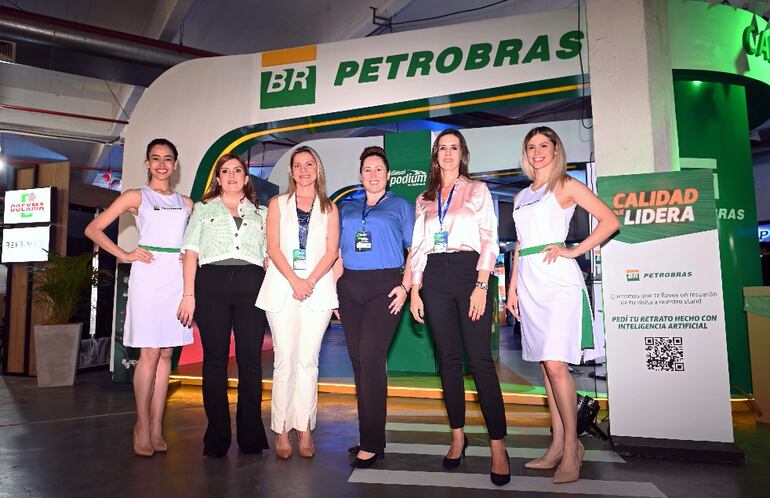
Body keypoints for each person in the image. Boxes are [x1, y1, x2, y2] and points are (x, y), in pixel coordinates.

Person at [506, 126, 620, 484]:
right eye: (532, 146)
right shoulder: (521, 195)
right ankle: (556, 445)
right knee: (545, 368)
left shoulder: (566, 185)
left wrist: (573, 249)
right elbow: (521, 246)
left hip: (559, 284)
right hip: (529, 282)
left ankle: (573, 447)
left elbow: (610, 221)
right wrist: (511, 290)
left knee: (556, 366)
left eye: (544, 145)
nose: (538, 151)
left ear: (557, 150)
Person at [409, 129, 510, 486]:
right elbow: (418, 247)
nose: (448, 153)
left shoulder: (477, 190)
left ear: (462, 154)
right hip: (434, 277)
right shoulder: (424, 198)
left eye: (454, 148)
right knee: (448, 361)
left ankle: (499, 445)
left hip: (470, 273)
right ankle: (457, 436)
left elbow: (490, 241)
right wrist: (415, 290)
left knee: (480, 361)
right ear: (435, 156)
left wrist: (482, 285)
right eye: (442, 148)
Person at [85, 138, 193, 457]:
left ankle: (158, 426)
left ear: (175, 164)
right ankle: (142, 425)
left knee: (165, 356)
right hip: (148, 278)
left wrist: (186, 257)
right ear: (147, 163)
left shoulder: (187, 203)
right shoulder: (135, 196)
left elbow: (196, 240)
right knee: (149, 354)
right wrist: (125, 253)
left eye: (168, 159)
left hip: (175, 279)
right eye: (155, 158)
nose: (162, 164)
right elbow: (94, 229)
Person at [177, 154, 269, 458]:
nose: (231, 175)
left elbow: (270, 258)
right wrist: (188, 295)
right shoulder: (203, 209)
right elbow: (190, 252)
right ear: (218, 179)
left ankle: (251, 437)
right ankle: (216, 438)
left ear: (246, 178)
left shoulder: (262, 213)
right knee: (215, 361)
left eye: (237, 171)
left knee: (250, 362)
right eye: (225, 171)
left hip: (252, 284)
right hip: (211, 284)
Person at [256, 145, 339, 459]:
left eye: (309, 164)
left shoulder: (330, 208)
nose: (304, 170)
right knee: (284, 361)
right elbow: (273, 248)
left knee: (308, 362)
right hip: (282, 286)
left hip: (317, 290)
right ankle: (281, 430)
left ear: (317, 169)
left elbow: (331, 251)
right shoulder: (277, 204)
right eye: (298, 165)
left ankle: (304, 428)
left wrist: (310, 282)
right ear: (291, 172)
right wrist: (295, 281)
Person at [335, 146, 415, 468]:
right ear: (360, 175)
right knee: (358, 363)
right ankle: (370, 436)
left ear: (388, 174)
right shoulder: (347, 208)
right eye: (367, 169)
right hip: (349, 287)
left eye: (378, 169)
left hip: (385, 288)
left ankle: (372, 441)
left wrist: (405, 286)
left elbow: (414, 249)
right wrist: (334, 293)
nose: (373, 174)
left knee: (371, 357)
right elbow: (337, 253)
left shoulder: (400, 205)